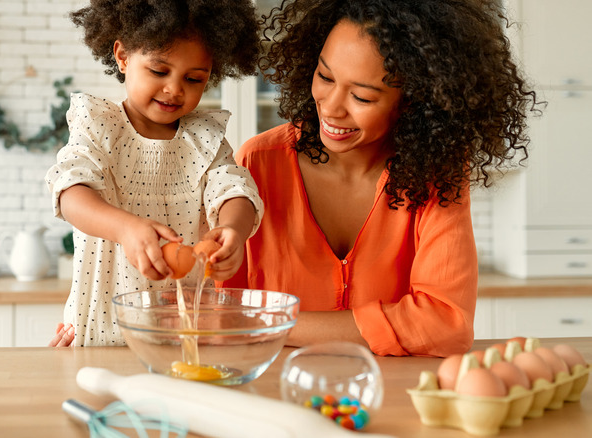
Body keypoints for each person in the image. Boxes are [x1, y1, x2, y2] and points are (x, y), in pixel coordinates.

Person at [221, 0, 540, 357]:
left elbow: (447, 326)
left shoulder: (437, 174)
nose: (330, 107)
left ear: (412, 101)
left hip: (390, 398)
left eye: (362, 96)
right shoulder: (259, 162)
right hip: (276, 391)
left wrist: (270, 321)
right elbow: (221, 313)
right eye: (325, 77)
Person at [45, 0, 264, 347]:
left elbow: (233, 189)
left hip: (183, 332)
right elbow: (71, 191)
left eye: (193, 79)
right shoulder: (98, 126)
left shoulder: (204, 139)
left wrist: (231, 230)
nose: (175, 89)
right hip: (102, 330)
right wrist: (126, 228)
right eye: (159, 71)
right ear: (122, 56)